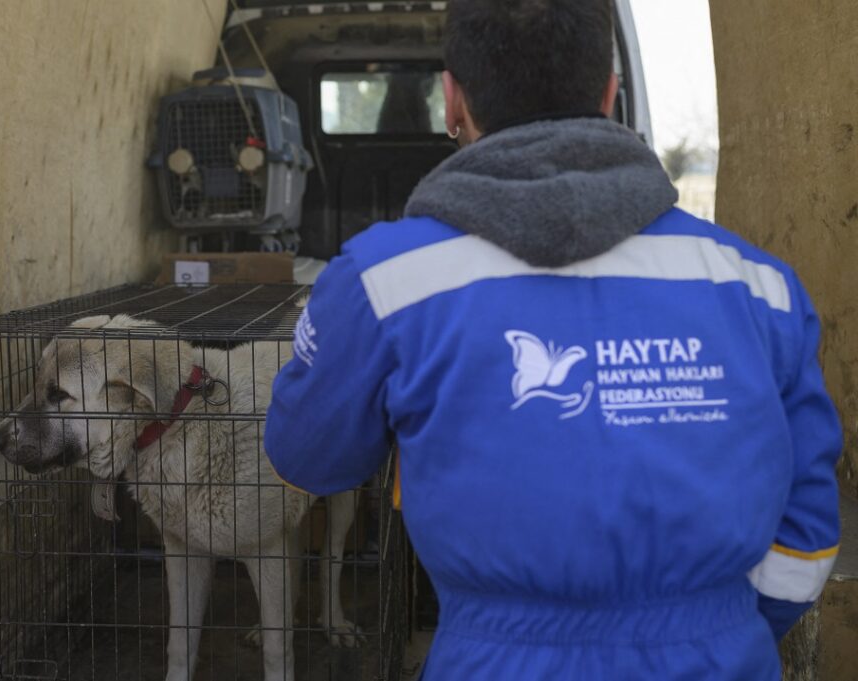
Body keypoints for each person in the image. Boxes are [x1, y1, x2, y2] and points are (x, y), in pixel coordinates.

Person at [264, 0, 843, 678]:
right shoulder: (759, 288)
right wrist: (709, 627)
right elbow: (807, 541)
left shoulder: (382, 280)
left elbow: (304, 456)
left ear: (452, 102)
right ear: (608, 93)